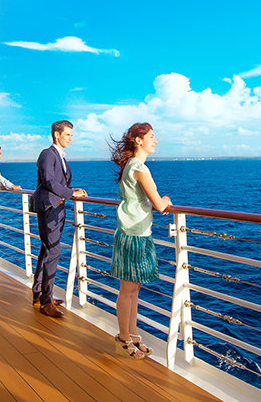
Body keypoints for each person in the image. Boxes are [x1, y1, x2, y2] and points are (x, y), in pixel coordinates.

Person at [108, 122, 171, 359]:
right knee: (128, 291)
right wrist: (166, 199)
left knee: (133, 290)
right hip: (134, 234)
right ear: (138, 140)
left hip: (135, 233)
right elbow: (159, 204)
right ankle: (123, 339)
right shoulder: (139, 168)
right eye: (151, 136)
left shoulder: (132, 166)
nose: (156, 141)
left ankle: (132, 335)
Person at [31, 120, 88, 318]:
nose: (71, 138)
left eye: (71, 135)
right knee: (54, 251)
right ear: (57, 134)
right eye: (68, 135)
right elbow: (48, 180)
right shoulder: (48, 154)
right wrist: (70, 194)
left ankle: (39, 295)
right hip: (49, 208)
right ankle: (46, 301)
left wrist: (71, 190)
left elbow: (57, 182)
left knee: (47, 250)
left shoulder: (60, 156)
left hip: (56, 207)